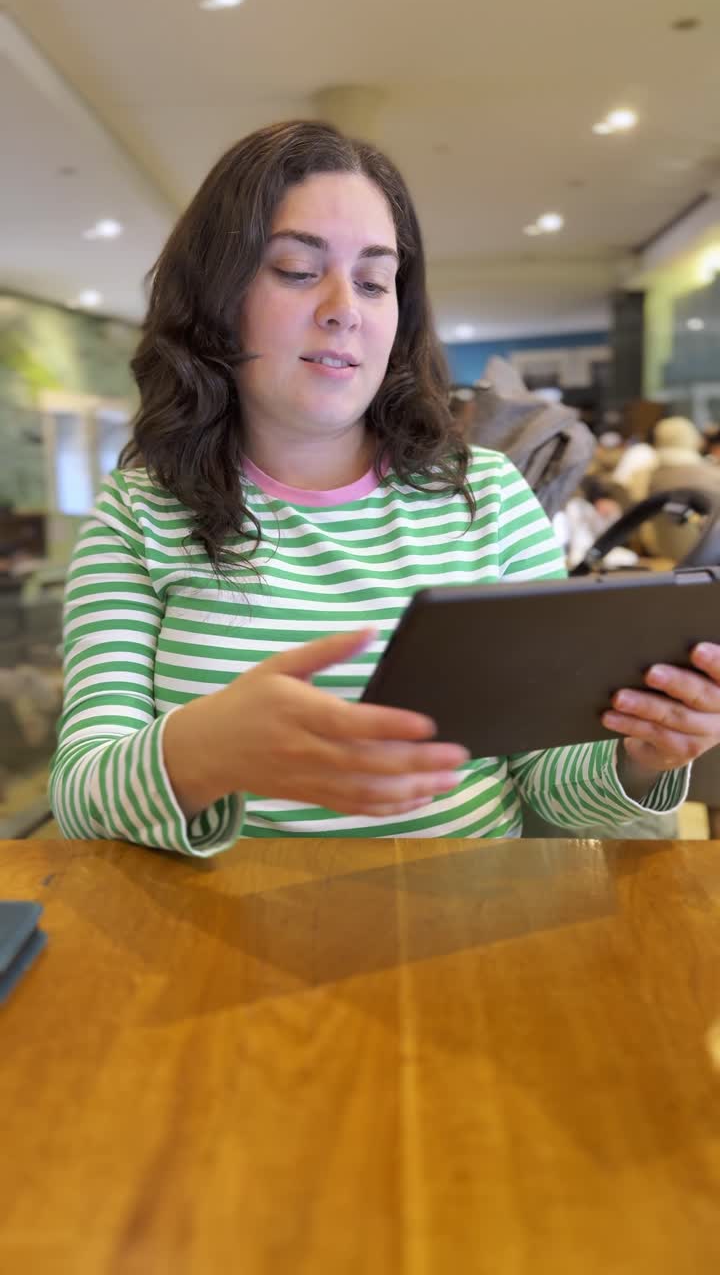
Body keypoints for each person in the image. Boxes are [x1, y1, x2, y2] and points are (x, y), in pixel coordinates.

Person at [49, 121, 720, 855]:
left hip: (465, 928)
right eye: (298, 270)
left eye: (375, 280)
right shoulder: (137, 515)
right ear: (215, 297)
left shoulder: (488, 498)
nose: (346, 307)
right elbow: (82, 794)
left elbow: (546, 783)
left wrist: (640, 751)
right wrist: (202, 752)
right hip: (216, 945)